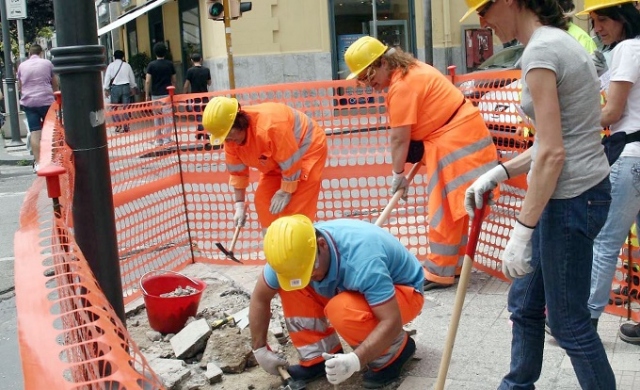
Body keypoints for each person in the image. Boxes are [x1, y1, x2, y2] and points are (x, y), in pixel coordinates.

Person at [462, 0, 615, 389]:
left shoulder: (542, 52)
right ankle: (517, 384)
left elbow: (553, 152)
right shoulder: (553, 43)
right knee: (525, 304)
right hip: (574, 194)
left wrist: (522, 230)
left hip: (572, 200)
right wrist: (497, 173)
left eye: (484, 9)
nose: (483, 22)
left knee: (569, 324)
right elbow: (554, 141)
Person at [343, 36, 499, 290]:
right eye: (361, 79)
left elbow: (399, 138)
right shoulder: (412, 70)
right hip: (459, 136)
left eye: (367, 75)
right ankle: (454, 266)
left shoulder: (402, 86)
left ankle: (439, 271)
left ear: (383, 63)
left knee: (445, 209)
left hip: (453, 143)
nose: (366, 83)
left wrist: (397, 174)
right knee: (456, 206)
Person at [248, 215, 424, 388]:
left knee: (341, 309)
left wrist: (356, 360)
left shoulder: (363, 259)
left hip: (403, 292)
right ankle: (317, 357)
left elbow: (391, 321)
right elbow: (260, 298)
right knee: (292, 286)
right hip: (356, 286)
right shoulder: (289, 256)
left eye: (311, 270)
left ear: (322, 245)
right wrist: (259, 349)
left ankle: (395, 353)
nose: (309, 277)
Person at [575, 0, 640, 341]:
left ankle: (585, 322)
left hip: (631, 154)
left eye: (602, 20)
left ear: (622, 17)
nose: (596, 28)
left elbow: (612, 112)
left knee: (605, 241)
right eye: (593, 21)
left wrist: (571, 124)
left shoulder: (628, 49)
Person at [202, 97, 327, 232]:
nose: (228, 141)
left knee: (293, 212)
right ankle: (273, 245)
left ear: (239, 123)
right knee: (263, 201)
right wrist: (239, 206)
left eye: (228, 135)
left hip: (306, 150)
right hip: (277, 161)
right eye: (224, 138)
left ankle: (295, 244)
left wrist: (286, 191)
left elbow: (291, 162)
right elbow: (238, 174)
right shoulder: (231, 141)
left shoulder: (270, 127)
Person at [17, 44, 58, 173]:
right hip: (46, 100)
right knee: (51, 130)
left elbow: (20, 85)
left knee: (35, 132)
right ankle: (54, 159)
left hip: (29, 102)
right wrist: (56, 96)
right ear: (40, 53)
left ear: (30, 53)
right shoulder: (47, 63)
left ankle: (39, 163)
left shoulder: (22, 66)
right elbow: (54, 82)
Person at [145, 42, 176, 146]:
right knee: (168, 117)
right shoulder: (170, 64)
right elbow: (174, 79)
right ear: (165, 52)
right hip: (167, 94)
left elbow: (148, 81)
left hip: (156, 95)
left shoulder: (151, 65)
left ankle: (158, 140)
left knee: (157, 117)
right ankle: (167, 139)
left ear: (155, 53)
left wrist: (147, 95)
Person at [103, 50, 137, 133]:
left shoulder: (111, 66)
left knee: (114, 107)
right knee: (126, 107)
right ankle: (126, 126)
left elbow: (107, 78)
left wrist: (106, 89)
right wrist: (133, 87)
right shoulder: (127, 65)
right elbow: (131, 78)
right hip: (126, 87)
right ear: (123, 57)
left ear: (114, 57)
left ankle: (118, 125)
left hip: (115, 88)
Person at [182, 52, 211, 140]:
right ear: (201, 59)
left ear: (191, 61)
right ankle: (200, 133)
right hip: (205, 96)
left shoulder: (190, 71)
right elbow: (209, 83)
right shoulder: (206, 70)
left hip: (195, 97)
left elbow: (186, 85)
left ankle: (204, 133)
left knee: (198, 115)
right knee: (205, 115)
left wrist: (184, 94)